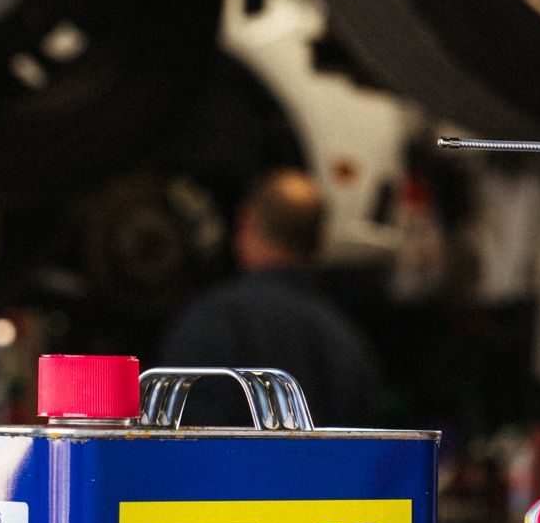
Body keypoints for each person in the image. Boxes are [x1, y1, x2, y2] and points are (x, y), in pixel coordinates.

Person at [159, 168, 379, 426]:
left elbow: (175, 427)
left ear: (247, 222)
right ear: (320, 241)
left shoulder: (211, 321)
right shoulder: (345, 335)